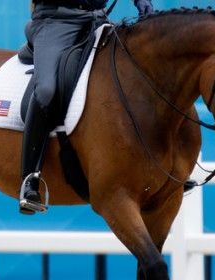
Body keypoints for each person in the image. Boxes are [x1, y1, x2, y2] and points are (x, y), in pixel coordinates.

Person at [19, 0, 154, 214]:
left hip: (96, 21)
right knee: (46, 90)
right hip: (55, 21)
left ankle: (162, 170)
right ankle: (29, 178)